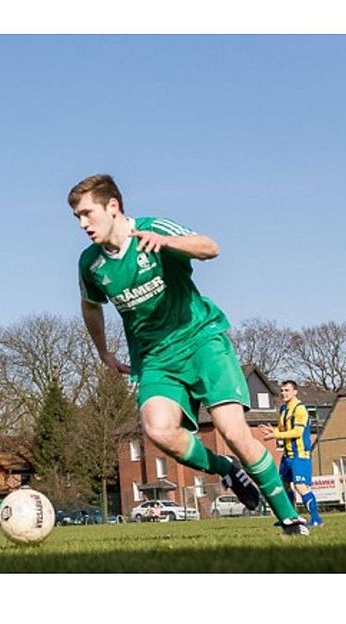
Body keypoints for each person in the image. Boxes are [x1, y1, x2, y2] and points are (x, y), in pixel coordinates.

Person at [68, 174, 307, 536]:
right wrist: (104, 352)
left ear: (113, 207)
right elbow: (90, 307)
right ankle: (225, 469)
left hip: (201, 341)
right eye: (77, 218)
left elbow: (210, 247)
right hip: (155, 359)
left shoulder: (152, 229)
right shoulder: (91, 264)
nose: (83, 224)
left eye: (88, 213)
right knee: (158, 431)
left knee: (232, 430)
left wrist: (167, 242)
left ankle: (289, 518)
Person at [259, 380, 324, 527]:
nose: (283, 393)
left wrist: (275, 436)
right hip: (287, 455)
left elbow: (297, 432)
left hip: (300, 455)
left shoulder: (300, 409)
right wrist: (273, 431)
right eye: (282, 391)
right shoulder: (283, 409)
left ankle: (316, 519)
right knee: (285, 485)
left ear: (295, 392)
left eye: (287, 390)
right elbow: (284, 430)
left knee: (301, 486)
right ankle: (291, 517)